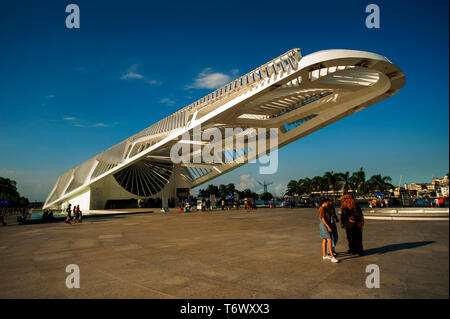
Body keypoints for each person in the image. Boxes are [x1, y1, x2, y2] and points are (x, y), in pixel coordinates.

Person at [318, 197, 339, 263]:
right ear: (324, 202)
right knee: (329, 240)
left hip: (325, 225)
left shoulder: (324, 208)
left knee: (324, 240)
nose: (328, 203)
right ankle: (332, 257)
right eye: (327, 202)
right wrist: (328, 227)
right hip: (324, 226)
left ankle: (324, 255)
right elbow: (322, 219)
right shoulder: (321, 208)